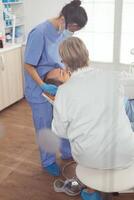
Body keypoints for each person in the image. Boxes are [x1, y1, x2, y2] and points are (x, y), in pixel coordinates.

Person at [52, 37, 134, 200]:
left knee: (89, 142)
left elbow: (60, 131)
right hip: (126, 152)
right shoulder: (112, 77)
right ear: (87, 54)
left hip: (89, 157)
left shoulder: (64, 91)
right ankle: (91, 190)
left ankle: (90, 192)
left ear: (64, 62)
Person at [24, 0, 88, 176]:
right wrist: (43, 85)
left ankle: (67, 152)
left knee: (62, 119)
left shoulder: (62, 32)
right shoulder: (39, 33)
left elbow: (61, 56)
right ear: (63, 20)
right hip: (38, 87)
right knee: (45, 125)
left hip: (55, 83)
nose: (71, 34)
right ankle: (48, 161)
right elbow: (28, 65)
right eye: (72, 29)